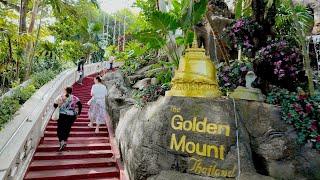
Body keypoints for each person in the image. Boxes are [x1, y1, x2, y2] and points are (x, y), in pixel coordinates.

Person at [53, 87, 82, 151]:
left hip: (62, 115)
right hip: (71, 116)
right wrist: (79, 113)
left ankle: (61, 141)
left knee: (60, 129)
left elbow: (55, 105)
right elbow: (80, 105)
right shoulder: (75, 98)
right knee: (67, 128)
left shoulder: (61, 97)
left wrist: (59, 106)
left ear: (65, 91)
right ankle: (65, 141)